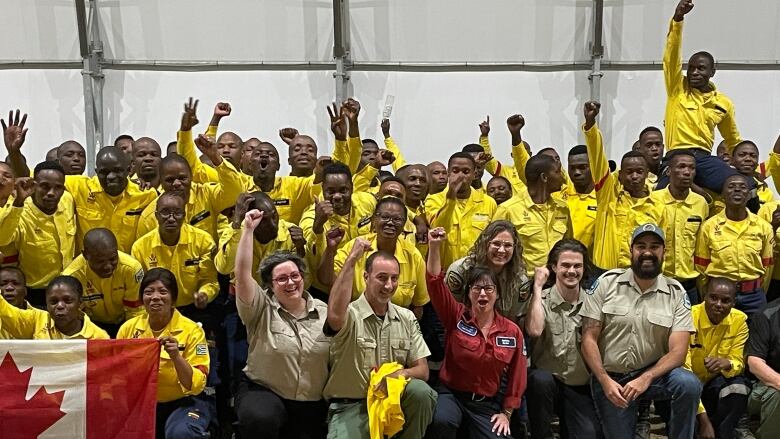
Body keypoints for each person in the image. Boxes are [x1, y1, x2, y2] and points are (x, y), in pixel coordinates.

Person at [580, 223, 701, 439]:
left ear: (664, 252)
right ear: (631, 250)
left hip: (654, 375)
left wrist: (647, 377)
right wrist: (604, 379)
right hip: (613, 379)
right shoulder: (607, 283)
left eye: (654, 246)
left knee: (688, 384)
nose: (647, 252)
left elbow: (679, 351)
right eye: (641, 246)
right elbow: (589, 339)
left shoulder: (676, 293)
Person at [323, 238, 437, 438]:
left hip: (393, 405)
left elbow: (423, 370)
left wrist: (397, 375)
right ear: (366, 277)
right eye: (382, 278)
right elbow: (333, 315)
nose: (389, 285)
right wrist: (352, 259)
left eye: (394, 278)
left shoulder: (407, 317)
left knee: (421, 392)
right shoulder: (349, 315)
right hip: (353, 406)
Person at [233, 209, 329, 438]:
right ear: (270, 285)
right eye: (282, 278)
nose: (290, 283)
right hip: (265, 393)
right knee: (260, 417)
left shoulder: (326, 313)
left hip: (311, 404)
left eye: (295, 276)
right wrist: (247, 231)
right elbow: (243, 274)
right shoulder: (260, 308)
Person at [425, 227, 526, 438]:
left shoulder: (512, 331)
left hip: (485, 404)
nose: (482, 293)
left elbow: (518, 375)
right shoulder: (456, 316)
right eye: (477, 288)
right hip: (452, 395)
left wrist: (506, 413)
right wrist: (434, 247)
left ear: (497, 295)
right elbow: (435, 283)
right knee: (442, 420)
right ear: (468, 293)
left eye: (489, 289)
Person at [658, 0, 747, 196]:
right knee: (659, 197)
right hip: (676, 156)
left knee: (742, 187)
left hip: (705, 160)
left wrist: (747, 170)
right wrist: (678, 20)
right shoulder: (677, 89)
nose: (694, 72)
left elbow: (732, 139)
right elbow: (670, 57)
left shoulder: (723, 103)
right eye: (691, 68)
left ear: (712, 72)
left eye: (701, 68)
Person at [117, 268, 214, 439]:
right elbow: (119, 373)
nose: (155, 297)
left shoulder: (193, 331)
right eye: (148, 292)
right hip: (142, 404)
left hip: (185, 402)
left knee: (181, 434)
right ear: (142, 300)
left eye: (163, 292)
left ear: (174, 300)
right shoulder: (128, 329)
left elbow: (197, 385)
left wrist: (176, 356)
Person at [524, 239, 600, 439]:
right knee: (539, 380)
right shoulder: (541, 299)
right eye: (565, 265)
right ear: (553, 267)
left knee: (588, 435)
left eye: (577, 266)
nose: (572, 271)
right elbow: (534, 330)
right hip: (546, 386)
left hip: (579, 387)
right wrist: (538, 287)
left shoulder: (593, 305)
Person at [582, 101, 661, 270]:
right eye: (629, 172)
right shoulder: (608, 197)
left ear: (647, 174)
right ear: (621, 174)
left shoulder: (659, 207)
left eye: (639, 171)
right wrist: (590, 125)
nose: (634, 176)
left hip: (639, 276)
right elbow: (597, 158)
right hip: (604, 274)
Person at [321, 197, 429, 314]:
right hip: (358, 320)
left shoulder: (413, 255)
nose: (390, 222)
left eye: (397, 219)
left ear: (404, 224)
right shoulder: (356, 246)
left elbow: (418, 306)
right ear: (374, 219)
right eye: (385, 217)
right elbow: (326, 280)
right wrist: (331, 249)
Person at [695, 174, 775, 318]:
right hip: (719, 297)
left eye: (742, 187)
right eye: (731, 187)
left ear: (749, 194)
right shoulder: (709, 227)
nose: (737, 190)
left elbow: (767, 266)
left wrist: (759, 290)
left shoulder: (764, 227)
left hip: (754, 298)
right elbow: (701, 267)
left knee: (756, 338)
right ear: (723, 194)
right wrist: (707, 294)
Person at [136, 137, 243, 242]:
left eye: (182, 178)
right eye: (170, 180)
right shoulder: (149, 217)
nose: (177, 183)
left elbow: (235, 192)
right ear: (161, 181)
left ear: (191, 177)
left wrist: (216, 157)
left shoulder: (206, 194)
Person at [0, 161, 76, 307]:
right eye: (45, 186)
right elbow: (2, 240)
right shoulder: (18, 209)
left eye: (58, 188)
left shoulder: (67, 200)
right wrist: (19, 201)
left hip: (66, 287)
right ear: (34, 185)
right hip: (34, 293)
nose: (51, 193)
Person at [684, 278, 749, 439]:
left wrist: (728, 364)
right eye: (713, 298)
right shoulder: (688, 317)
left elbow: (739, 362)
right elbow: (682, 367)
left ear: (734, 302)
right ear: (704, 296)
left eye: (726, 300)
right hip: (687, 385)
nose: (718, 304)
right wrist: (703, 419)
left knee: (738, 388)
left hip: (714, 384)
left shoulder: (739, 321)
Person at [131, 192, 219, 310]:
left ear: (184, 215)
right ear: (156, 216)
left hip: (194, 307)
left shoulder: (203, 241)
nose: (171, 218)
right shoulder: (140, 247)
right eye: (165, 212)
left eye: (177, 213)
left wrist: (204, 294)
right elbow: (139, 288)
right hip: (157, 309)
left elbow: (210, 280)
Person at [64, 146, 157, 253]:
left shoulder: (146, 195)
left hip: (128, 266)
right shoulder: (79, 187)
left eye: (117, 171)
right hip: (88, 266)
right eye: (104, 172)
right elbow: (45, 178)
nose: (111, 176)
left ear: (129, 170)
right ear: (96, 172)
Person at [493, 153, 572, 276]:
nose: (562, 177)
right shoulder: (508, 209)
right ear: (544, 177)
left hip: (557, 283)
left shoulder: (562, 208)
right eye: (557, 172)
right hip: (523, 285)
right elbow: (493, 253)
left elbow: (569, 245)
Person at [651, 150, 708, 304]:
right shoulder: (652, 200)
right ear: (669, 171)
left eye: (691, 168)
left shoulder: (700, 203)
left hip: (689, 286)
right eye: (681, 167)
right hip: (657, 284)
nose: (687, 172)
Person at [62, 228, 145, 336]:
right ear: (85, 255)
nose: (108, 266)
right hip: (91, 326)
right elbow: (76, 317)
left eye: (113, 259)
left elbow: (135, 312)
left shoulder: (131, 269)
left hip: (125, 322)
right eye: (100, 261)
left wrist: (128, 338)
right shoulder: (72, 277)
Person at [426, 152, 498, 270]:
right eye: (455, 171)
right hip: (445, 273)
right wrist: (451, 196)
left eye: (465, 172)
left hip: (478, 273)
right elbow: (439, 228)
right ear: (448, 173)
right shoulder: (434, 200)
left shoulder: (488, 203)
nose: (460, 176)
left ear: (474, 174)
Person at [215, 191, 305, 284]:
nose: (273, 225)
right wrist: (237, 222)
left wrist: (300, 248)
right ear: (251, 219)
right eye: (264, 220)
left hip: (279, 293)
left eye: (274, 216)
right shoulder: (236, 232)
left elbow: (303, 281)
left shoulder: (290, 233)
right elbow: (224, 269)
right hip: (245, 294)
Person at [445, 220, 529, 319]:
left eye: (508, 245)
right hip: (462, 327)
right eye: (496, 244)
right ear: (484, 244)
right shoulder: (461, 270)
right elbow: (449, 311)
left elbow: (515, 320)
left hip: (502, 331)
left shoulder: (519, 280)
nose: (501, 250)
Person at [0, 274, 108, 339]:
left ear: (80, 303)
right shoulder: (36, 320)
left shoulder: (99, 337)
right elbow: (4, 311)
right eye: (53, 301)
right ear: (46, 304)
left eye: (67, 300)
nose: (60, 306)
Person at [562, 145, 597, 251]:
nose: (576, 172)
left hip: (591, 264)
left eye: (582, 167)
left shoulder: (604, 199)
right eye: (572, 168)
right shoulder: (558, 196)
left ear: (593, 167)